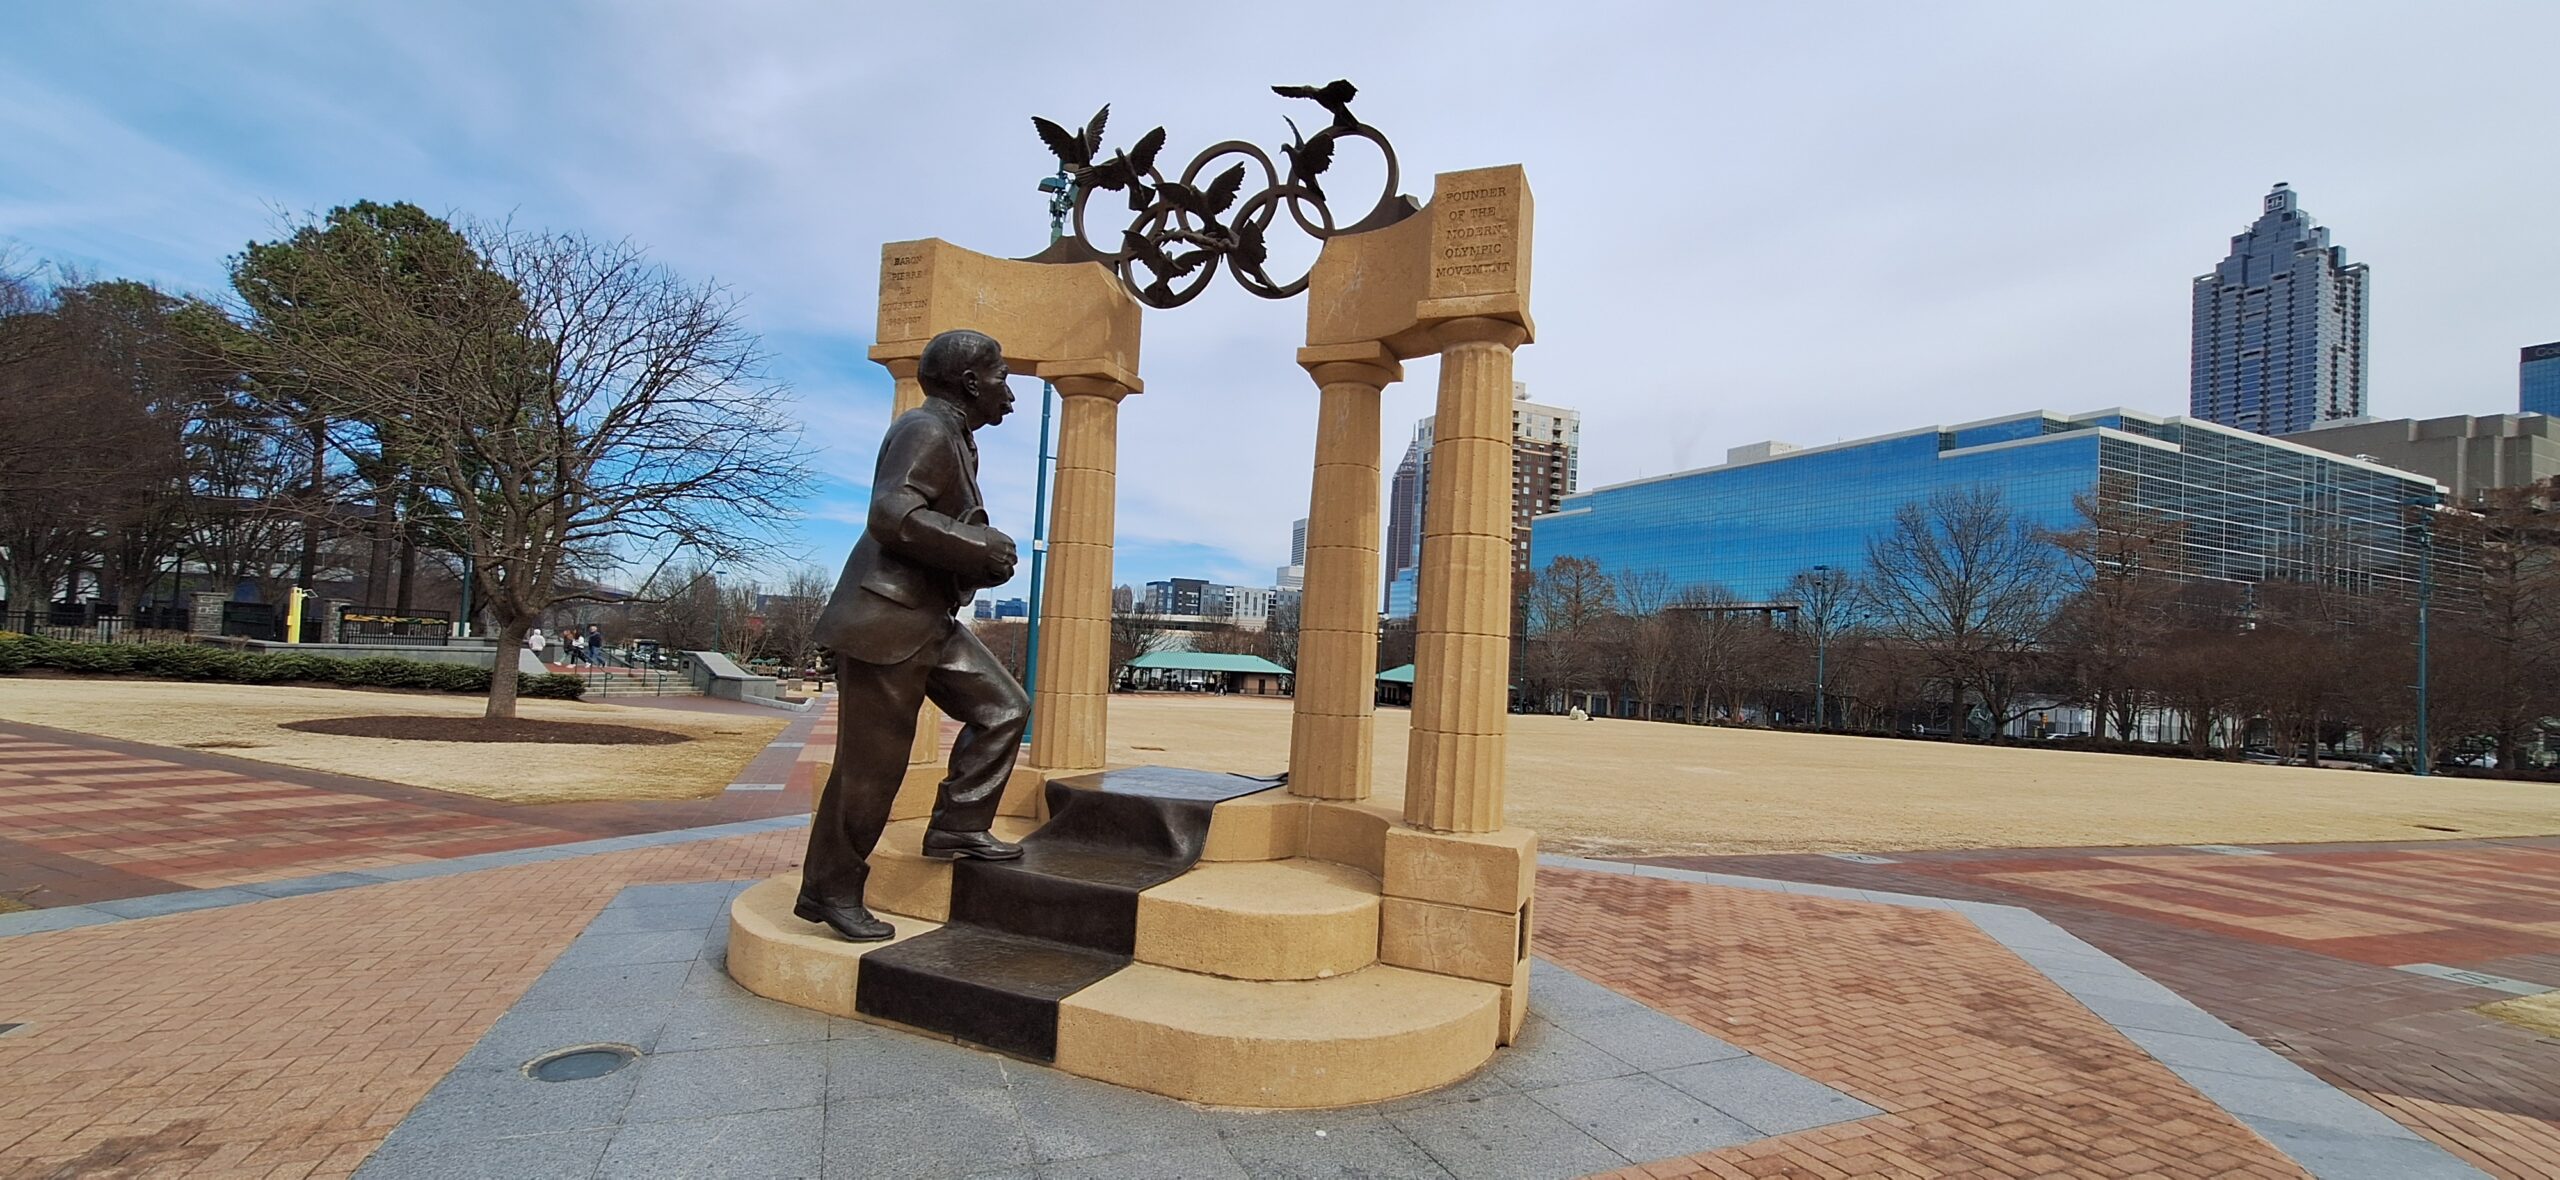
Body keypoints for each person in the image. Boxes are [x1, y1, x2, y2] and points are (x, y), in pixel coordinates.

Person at [798, 329, 1028, 942]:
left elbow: (930, 528)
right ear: (972, 382)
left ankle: (957, 823)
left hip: (928, 618)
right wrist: (975, 545)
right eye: (1002, 374)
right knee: (871, 769)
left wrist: (977, 560)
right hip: (885, 621)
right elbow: (891, 514)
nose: (1011, 390)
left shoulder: (958, 438)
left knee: (1004, 707)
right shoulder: (924, 428)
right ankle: (830, 889)